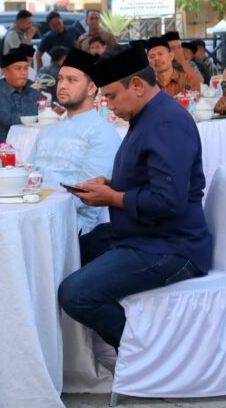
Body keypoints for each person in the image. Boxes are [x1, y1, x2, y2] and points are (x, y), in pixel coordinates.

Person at [58, 45, 210, 362]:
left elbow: (168, 201)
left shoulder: (165, 123)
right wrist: (111, 185)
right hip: (144, 236)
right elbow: (152, 182)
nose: (108, 105)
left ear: (137, 86)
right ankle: (83, 358)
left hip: (171, 247)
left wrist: (112, 197)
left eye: (112, 96)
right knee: (68, 250)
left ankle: (150, 359)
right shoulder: (146, 117)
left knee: (75, 293)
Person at [28, 48, 121, 234]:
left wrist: (36, 207)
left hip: (71, 227)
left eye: (72, 80)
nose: (62, 86)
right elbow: (29, 177)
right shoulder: (47, 131)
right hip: (33, 214)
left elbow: (86, 196)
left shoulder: (102, 134)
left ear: (92, 87)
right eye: (61, 79)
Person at [0, 48, 41, 155]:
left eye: (25, 69)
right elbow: (12, 120)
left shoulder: (33, 92)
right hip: (1, 150)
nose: (23, 73)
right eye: (18, 69)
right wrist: (41, 116)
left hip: (31, 146)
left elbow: (48, 107)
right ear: (5, 71)